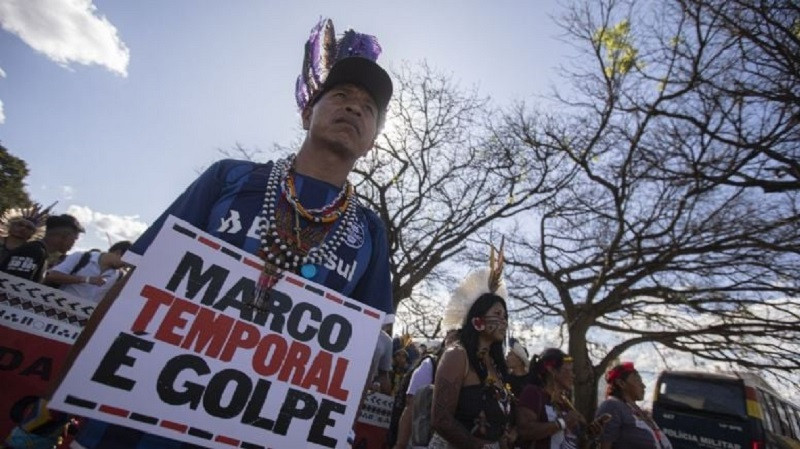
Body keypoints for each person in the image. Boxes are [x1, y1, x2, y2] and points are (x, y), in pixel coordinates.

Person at [68, 17, 395, 449]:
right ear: (306, 112)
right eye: (340, 95)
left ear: (372, 139)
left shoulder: (370, 230)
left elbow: (361, 354)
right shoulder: (230, 178)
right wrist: (63, 395)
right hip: (135, 426)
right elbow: (135, 282)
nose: (355, 107)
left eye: (368, 107)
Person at [428, 246, 515, 449]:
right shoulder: (457, 356)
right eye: (498, 314)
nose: (503, 322)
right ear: (478, 320)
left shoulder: (496, 366)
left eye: (505, 317)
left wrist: (502, 437)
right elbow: (441, 419)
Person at [515, 348, 607, 449]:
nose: (573, 375)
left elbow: (575, 443)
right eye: (569, 370)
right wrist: (562, 423)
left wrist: (589, 435)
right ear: (551, 370)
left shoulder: (566, 403)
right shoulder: (534, 393)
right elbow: (525, 431)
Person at [388, 329, 459, 449]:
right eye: (454, 336)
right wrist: (400, 444)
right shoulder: (430, 365)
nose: (457, 343)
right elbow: (411, 408)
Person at [595, 363, 673, 449]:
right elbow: (603, 445)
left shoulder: (640, 413)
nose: (643, 386)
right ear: (621, 383)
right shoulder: (612, 406)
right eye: (637, 380)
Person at [0, 214, 83, 282]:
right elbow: (14, 286)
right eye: (74, 239)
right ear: (65, 236)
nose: (73, 243)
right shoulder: (34, 251)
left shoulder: (39, 252)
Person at [44, 241, 132, 303]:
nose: (125, 266)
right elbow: (52, 275)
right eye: (125, 262)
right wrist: (87, 280)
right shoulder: (81, 257)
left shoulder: (118, 276)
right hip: (56, 307)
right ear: (118, 252)